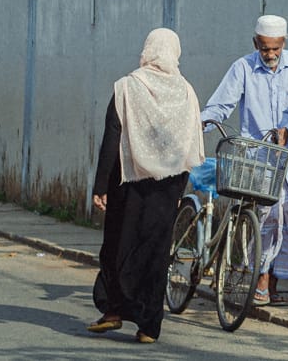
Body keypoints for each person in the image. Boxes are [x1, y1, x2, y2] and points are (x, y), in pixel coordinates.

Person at [88, 27, 205, 344]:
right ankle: (148, 328)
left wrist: (100, 186)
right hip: (167, 188)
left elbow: (112, 137)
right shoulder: (186, 93)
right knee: (155, 252)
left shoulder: (127, 87)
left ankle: (113, 311)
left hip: (128, 183)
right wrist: (178, 188)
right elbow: (189, 144)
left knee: (117, 244)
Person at [199, 13, 288, 306]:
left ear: (284, 43)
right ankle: (260, 280)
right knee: (266, 220)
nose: (270, 54)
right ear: (256, 43)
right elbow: (221, 103)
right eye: (265, 48)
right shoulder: (243, 67)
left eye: (276, 48)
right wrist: (202, 122)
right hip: (257, 160)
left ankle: (273, 283)